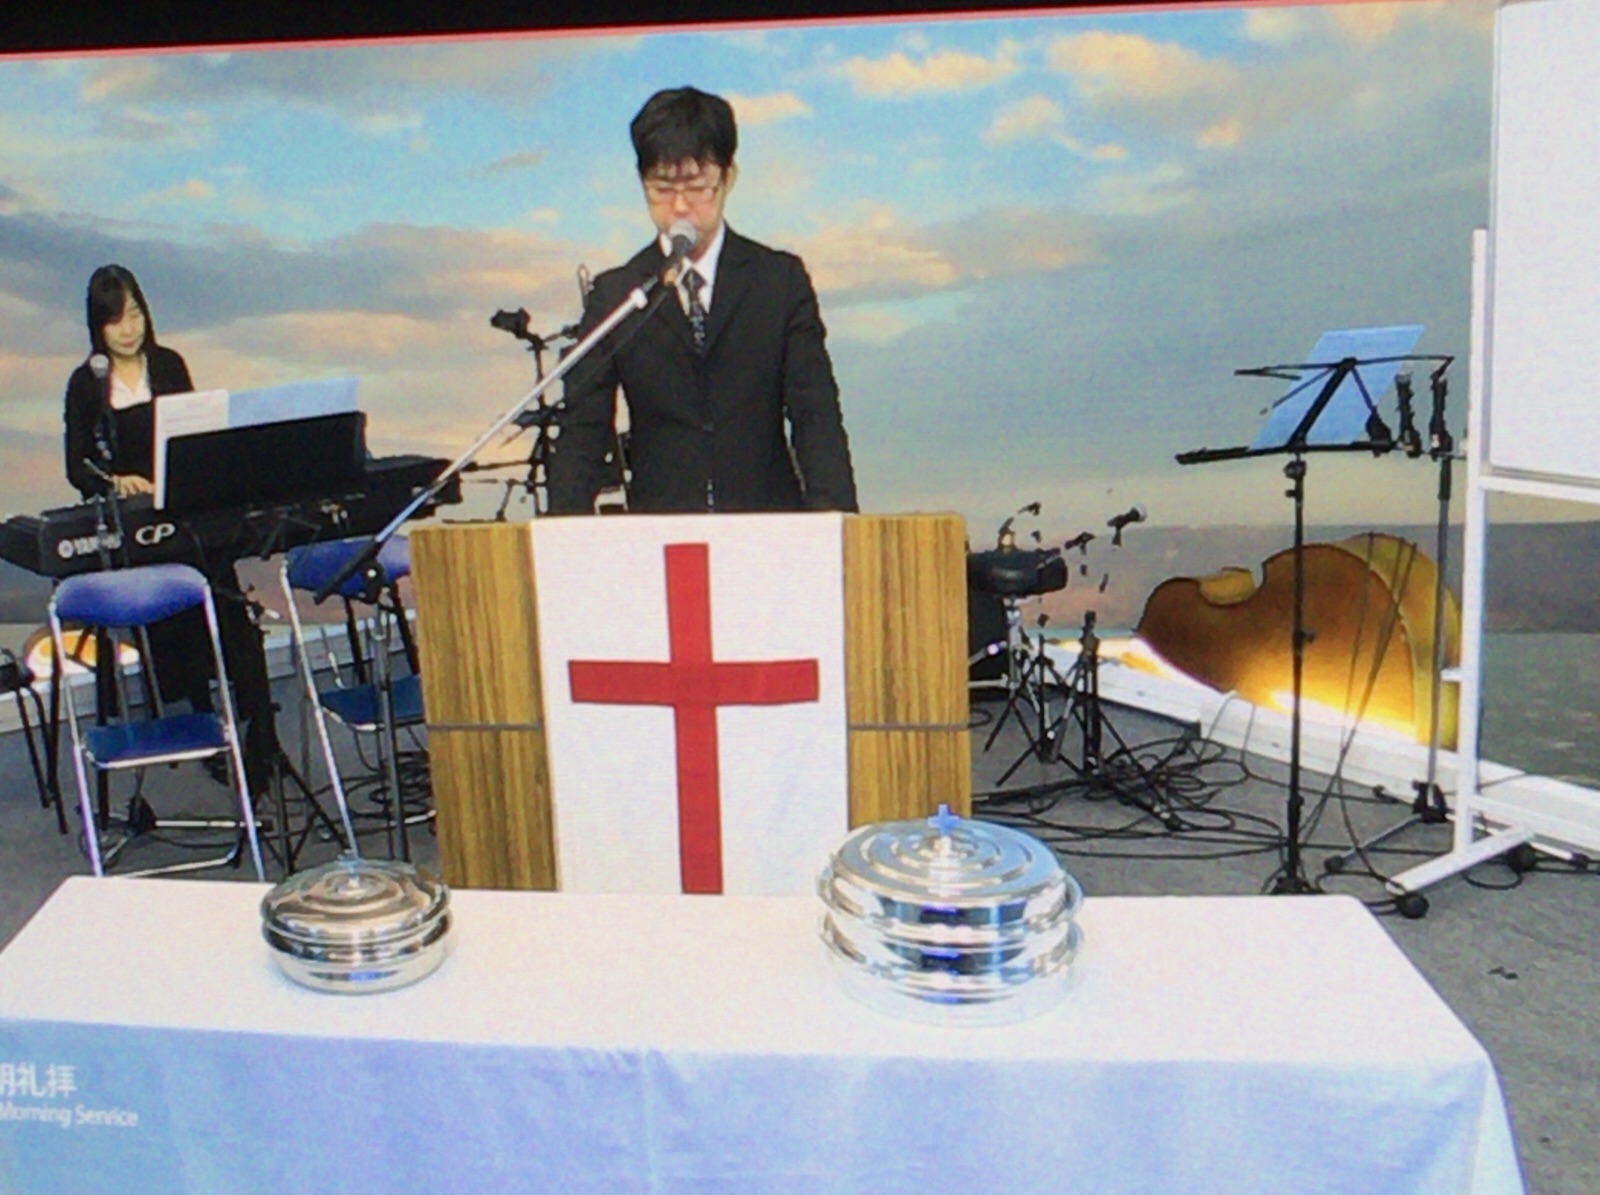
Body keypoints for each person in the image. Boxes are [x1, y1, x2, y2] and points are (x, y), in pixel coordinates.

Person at [546, 86, 859, 515]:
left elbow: (816, 416)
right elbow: (583, 430)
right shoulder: (618, 296)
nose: (679, 206)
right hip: (661, 528)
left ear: (728, 178)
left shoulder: (779, 281)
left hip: (768, 524)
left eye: (696, 187)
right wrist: (562, 535)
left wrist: (837, 525)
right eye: (661, 188)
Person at [61, 265, 275, 790]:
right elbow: (77, 466)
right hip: (138, 528)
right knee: (174, 618)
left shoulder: (169, 364)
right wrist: (115, 481)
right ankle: (201, 724)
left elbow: (198, 436)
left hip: (186, 511)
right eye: (115, 319)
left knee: (229, 607)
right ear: (98, 325)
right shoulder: (87, 384)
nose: (128, 329)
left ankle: (259, 737)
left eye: (134, 314)